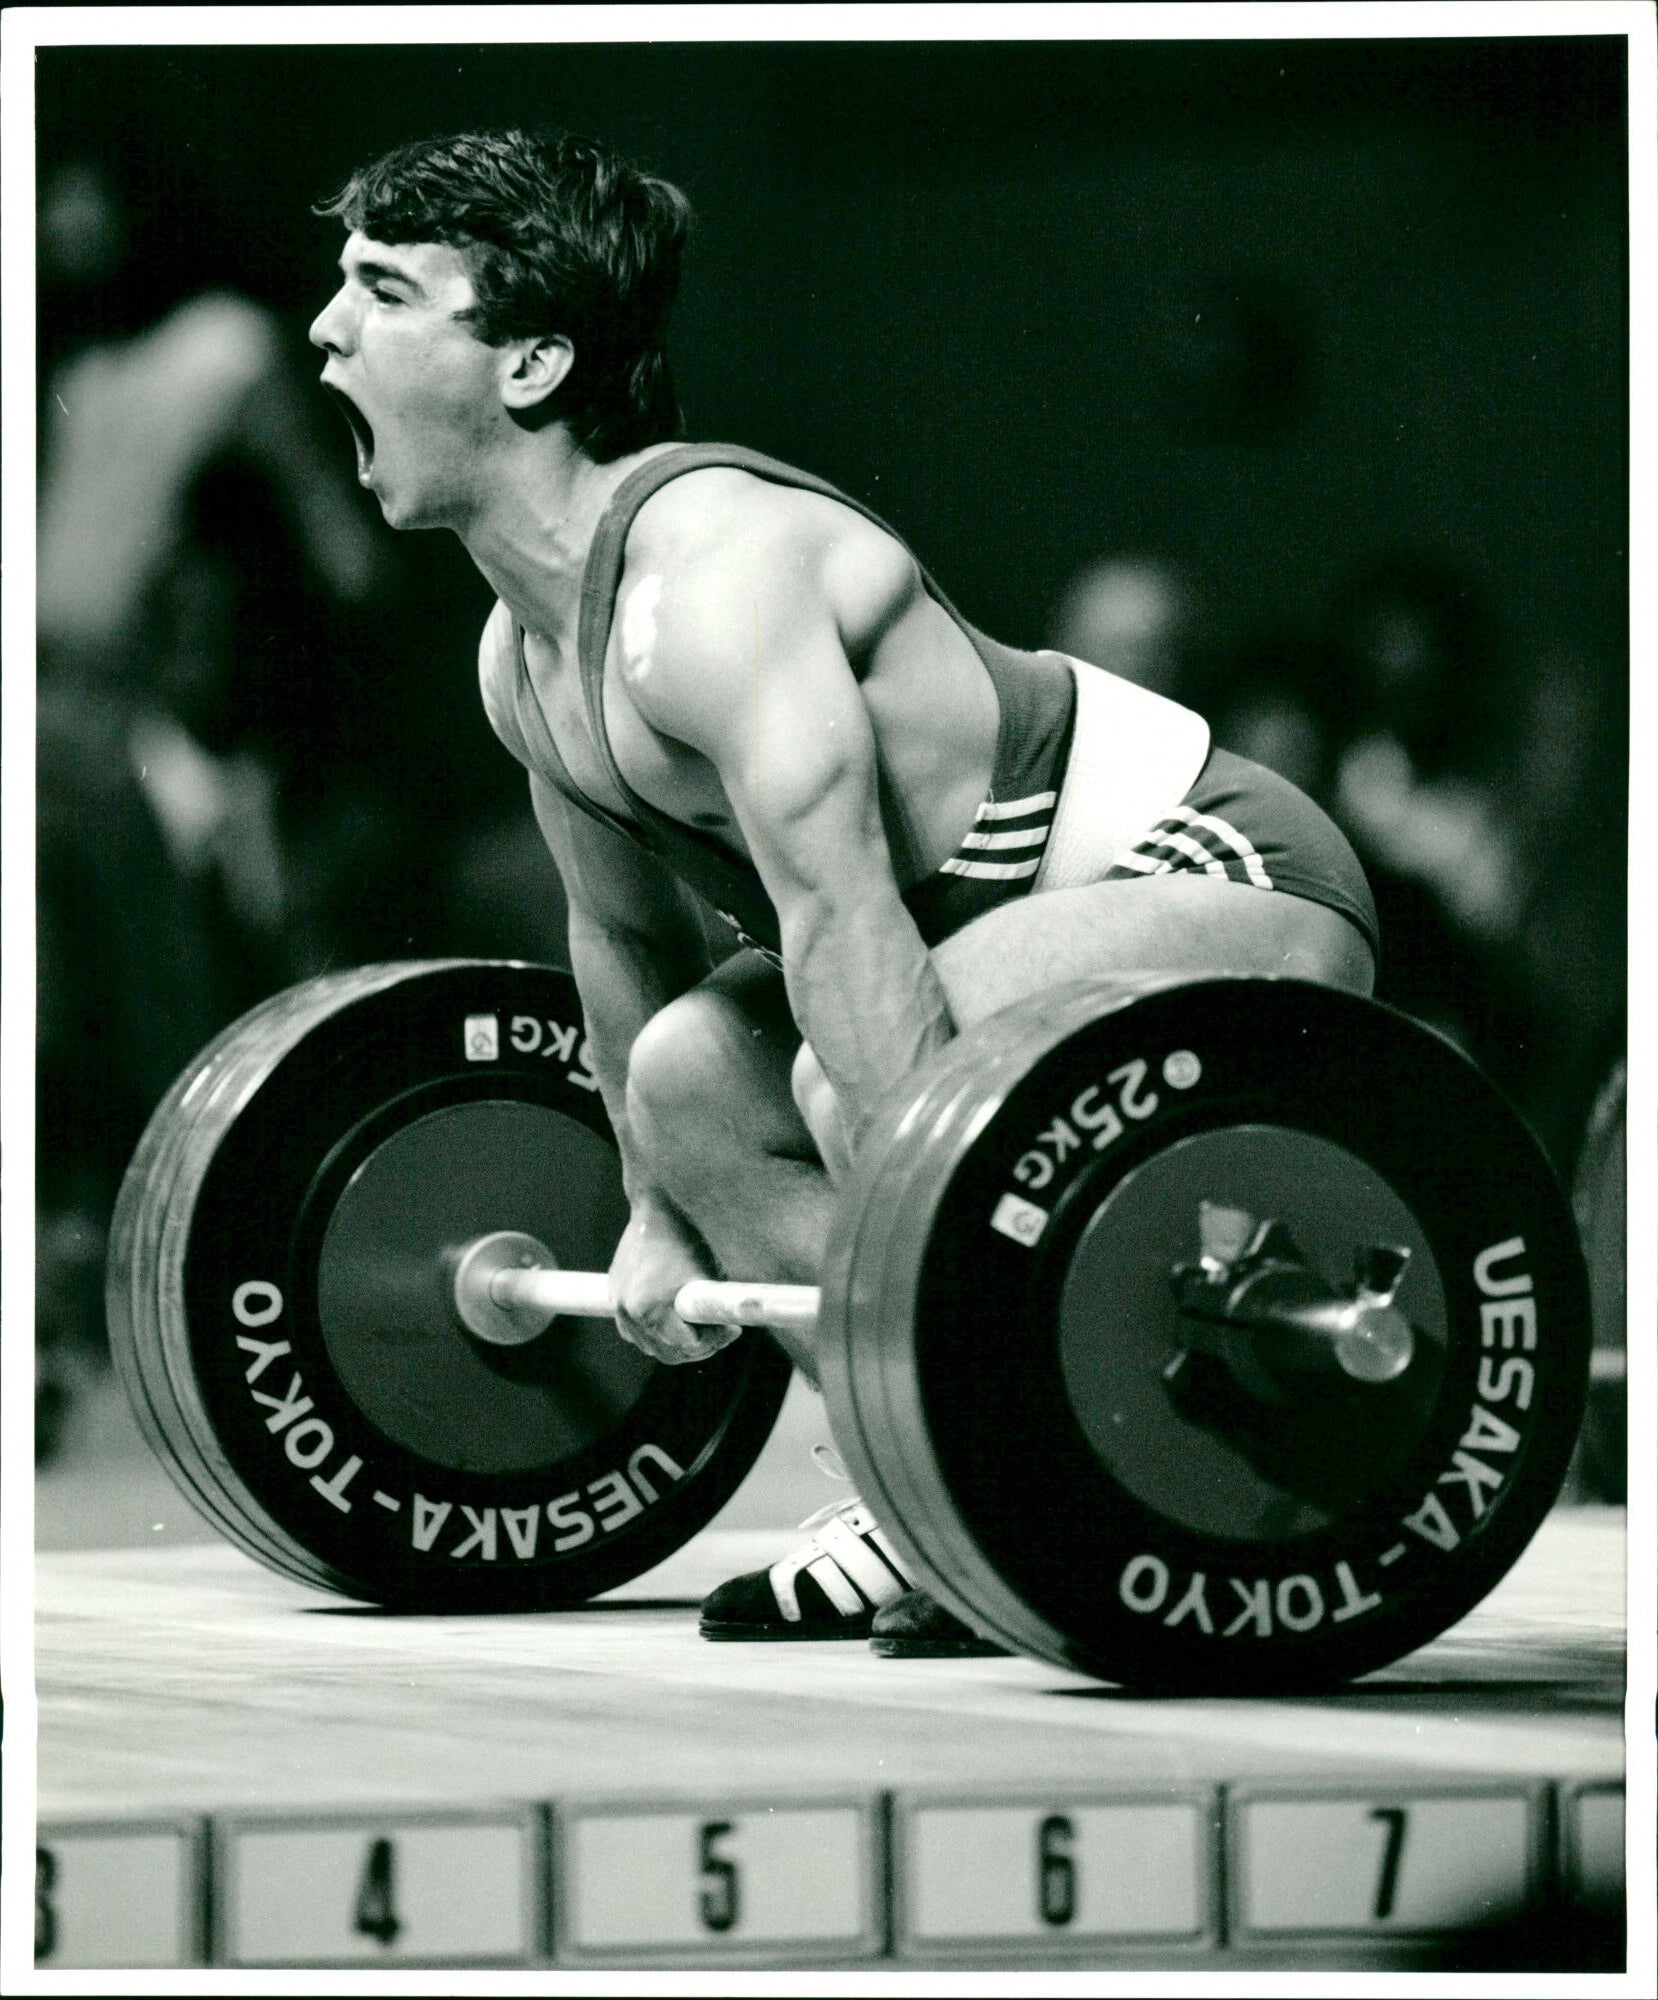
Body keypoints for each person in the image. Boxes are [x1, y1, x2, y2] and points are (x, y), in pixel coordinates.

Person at [309, 129, 1379, 1655]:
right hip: (967, 952)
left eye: (382, 292)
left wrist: (962, 1287)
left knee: (839, 1067)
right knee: (689, 1078)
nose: (325, 328)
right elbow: (622, 940)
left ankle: (968, 1489)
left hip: (1210, 870)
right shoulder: (524, 659)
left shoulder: (718, 576)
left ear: (533, 362)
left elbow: (845, 930)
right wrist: (657, 1212)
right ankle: (945, 1488)